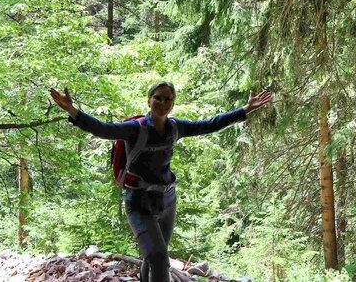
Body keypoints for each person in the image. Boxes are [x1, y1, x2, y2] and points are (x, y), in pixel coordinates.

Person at [49, 82, 272, 282]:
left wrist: (245, 110)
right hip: (138, 203)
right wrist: (72, 110)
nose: (163, 103)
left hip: (167, 200)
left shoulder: (175, 128)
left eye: (168, 99)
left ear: (173, 103)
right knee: (158, 257)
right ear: (149, 100)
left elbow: (209, 124)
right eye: (158, 98)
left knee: (155, 255)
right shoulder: (135, 129)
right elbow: (103, 129)